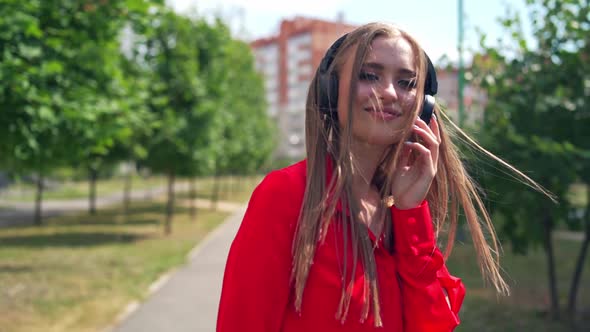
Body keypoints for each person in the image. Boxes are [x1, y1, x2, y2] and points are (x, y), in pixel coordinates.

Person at [217, 21, 540, 331]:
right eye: (369, 75)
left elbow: (431, 324)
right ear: (331, 91)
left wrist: (411, 212)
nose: (388, 92)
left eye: (406, 82)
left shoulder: (401, 211)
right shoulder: (286, 194)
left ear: (424, 105)